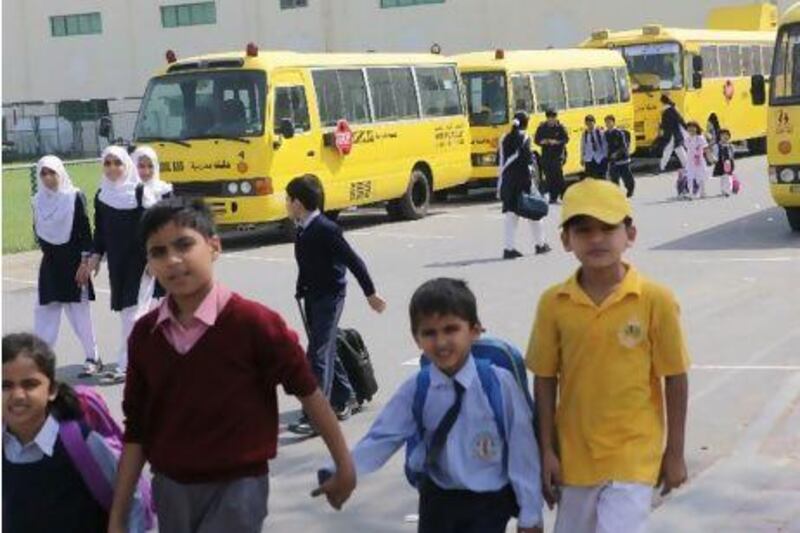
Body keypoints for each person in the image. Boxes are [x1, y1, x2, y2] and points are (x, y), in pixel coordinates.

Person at [107, 197, 356, 533]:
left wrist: (344, 464)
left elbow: (309, 392)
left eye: (184, 245)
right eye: (158, 252)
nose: (173, 260)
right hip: (171, 487)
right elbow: (136, 427)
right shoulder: (145, 334)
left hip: (238, 487)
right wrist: (118, 515)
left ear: (213, 247)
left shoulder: (254, 323)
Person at [527, 179, 690, 533]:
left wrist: (674, 452)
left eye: (607, 228)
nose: (596, 238)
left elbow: (675, 375)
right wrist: (546, 452)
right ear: (566, 240)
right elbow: (543, 378)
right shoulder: (554, 303)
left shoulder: (653, 299)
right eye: (583, 230)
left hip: (634, 454)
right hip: (575, 457)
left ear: (629, 234)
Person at [325, 278, 543, 533]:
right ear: (416, 338)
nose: (440, 342)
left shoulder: (498, 384)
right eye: (429, 333)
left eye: (451, 329)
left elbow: (522, 449)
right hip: (437, 501)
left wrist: (530, 513)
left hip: (490, 502)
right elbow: (382, 437)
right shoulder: (418, 388)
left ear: (474, 331)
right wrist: (340, 471)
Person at [2, 333, 144, 532]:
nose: (17, 395)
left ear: (51, 390)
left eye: (30, 384)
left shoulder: (79, 443)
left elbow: (129, 499)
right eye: (5, 386)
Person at [285, 175, 386, 435]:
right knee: (325, 347)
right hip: (312, 296)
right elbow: (307, 263)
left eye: (288, 199)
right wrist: (300, 288)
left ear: (298, 202)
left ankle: (317, 416)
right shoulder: (303, 227)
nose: (286, 204)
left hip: (330, 297)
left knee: (317, 354)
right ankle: (346, 396)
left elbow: (353, 261)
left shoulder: (326, 229)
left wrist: (371, 293)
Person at [32, 156, 102, 376]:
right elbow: (38, 233)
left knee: (80, 314)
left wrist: (85, 262)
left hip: (74, 262)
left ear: (60, 173)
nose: (48, 177)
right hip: (51, 263)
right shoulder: (37, 201)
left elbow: (85, 232)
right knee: (44, 313)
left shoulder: (74, 196)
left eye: (52, 172)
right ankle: (39, 364)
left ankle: (93, 357)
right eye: (43, 173)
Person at [87, 146, 147, 384]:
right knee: (128, 313)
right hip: (117, 262)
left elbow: (151, 228)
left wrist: (153, 257)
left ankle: (125, 364)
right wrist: (95, 255)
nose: (112, 168)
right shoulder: (102, 196)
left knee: (133, 314)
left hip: (141, 261)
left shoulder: (140, 193)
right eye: (108, 163)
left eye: (117, 163)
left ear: (127, 165)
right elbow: (100, 231)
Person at [499, 111, 552, 259]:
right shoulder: (525, 138)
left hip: (507, 181)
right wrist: (534, 183)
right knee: (534, 213)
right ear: (526, 123)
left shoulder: (504, 138)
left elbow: (501, 159)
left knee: (511, 216)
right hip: (523, 181)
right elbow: (527, 162)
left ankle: (508, 249)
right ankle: (541, 245)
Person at [131, 146, 172, 316]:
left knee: (165, 306)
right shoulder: (129, 192)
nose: (145, 171)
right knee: (140, 309)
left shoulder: (165, 191)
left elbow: (169, 225)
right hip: (137, 257)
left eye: (150, 166)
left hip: (162, 254)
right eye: (141, 166)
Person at [534, 109, 569, 204]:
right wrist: (543, 142)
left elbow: (566, 139)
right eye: (549, 118)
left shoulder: (560, 127)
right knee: (549, 176)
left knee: (558, 175)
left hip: (558, 154)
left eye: (553, 118)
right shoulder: (542, 128)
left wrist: (556, 142)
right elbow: (536, 140)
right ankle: (553, 196)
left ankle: (564, 195)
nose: (551, 120)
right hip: (546, 155)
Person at [604, 115, 635, 198]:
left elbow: (624, 146)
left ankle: (630, 189)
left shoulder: (619, 133)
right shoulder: (606, 133)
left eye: (609, 122)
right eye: (606, 122)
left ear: (613, 122)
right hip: (612, 160)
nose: (607, 124)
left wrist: (616, 153)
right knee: (613, 178)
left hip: (622, 159)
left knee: (626, 176)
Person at [658, 95, 688, 172]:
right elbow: (680, 120)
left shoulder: (666, 111)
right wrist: (686, 128)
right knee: (678, 149)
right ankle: (687, 165)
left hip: (671, 134)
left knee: (669, 150)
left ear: (662, 102)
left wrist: (661, 128)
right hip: (675, 132)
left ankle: (662, 167)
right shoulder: (672, 109)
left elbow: (664, 123)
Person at [684, 121, 711, 199]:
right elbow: (687, 148)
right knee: (690, 177)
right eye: (689, 128)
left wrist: (710, 157)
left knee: (700, 177)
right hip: (690, 161)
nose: (691, 129)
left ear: (697, 128)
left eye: (693, 127)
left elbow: (706, 148)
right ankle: (691, 193)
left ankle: (703, 192)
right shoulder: (687, 139)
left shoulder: (700, 138)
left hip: (699, 161)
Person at [580, 115, 607, 180]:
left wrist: (606, 155)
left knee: (601, 178)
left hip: (599, 158)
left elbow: (605, 144)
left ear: (594, 122)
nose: (589, 125)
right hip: (589, 158)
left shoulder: (599, 131)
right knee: (590, 178)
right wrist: (582, 158)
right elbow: (583, 146)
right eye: (587, 123)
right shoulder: (585, 133)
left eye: (591, 123)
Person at [713, 129, 735, 197]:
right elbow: (715, 154)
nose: (725, 137)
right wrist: (714, 160)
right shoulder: (717, 146)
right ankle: (723, 190)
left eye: (726, 135)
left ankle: (728, 190)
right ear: (719, 136)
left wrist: (731, 161)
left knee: (728, 176)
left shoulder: (730, 145)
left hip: (728, 162)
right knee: (723, 177)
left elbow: (732, 154)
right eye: (722, 135)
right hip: (720, 163)